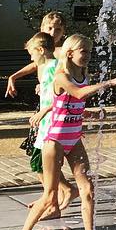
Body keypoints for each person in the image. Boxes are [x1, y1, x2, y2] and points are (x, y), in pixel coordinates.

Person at [17, 35, 116, 230]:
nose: (88, 56)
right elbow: (78, 93)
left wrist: (90, 113)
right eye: (84, 51)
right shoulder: (61, 76)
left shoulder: (83, 75)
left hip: (74, 139)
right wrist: (112, 81)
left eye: (89, 51)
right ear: (70, 53)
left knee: (88, 191)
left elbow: (70, 104)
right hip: (55, 141)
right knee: (50, 195)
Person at [20, 34, 78, 217]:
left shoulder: (53, 67)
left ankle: (54, 202)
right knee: (41, 163)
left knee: (40, 163)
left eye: (32, 54)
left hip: (51, 123)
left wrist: (43, 111)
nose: (31, 58)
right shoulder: (46, 67)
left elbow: (62, 96)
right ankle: (56, 197)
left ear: (40, 50)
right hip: (46, 123)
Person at [5, 11, 69, 98]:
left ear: (63, 32)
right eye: (50, 28)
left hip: (57, 95)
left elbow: (67, 75)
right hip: (45, 93)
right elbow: (36, 64)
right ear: (42, 29)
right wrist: (13, 77)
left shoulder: (62, 51)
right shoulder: (41, 48)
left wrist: (48, 86)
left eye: (58, 30)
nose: (53, 33)